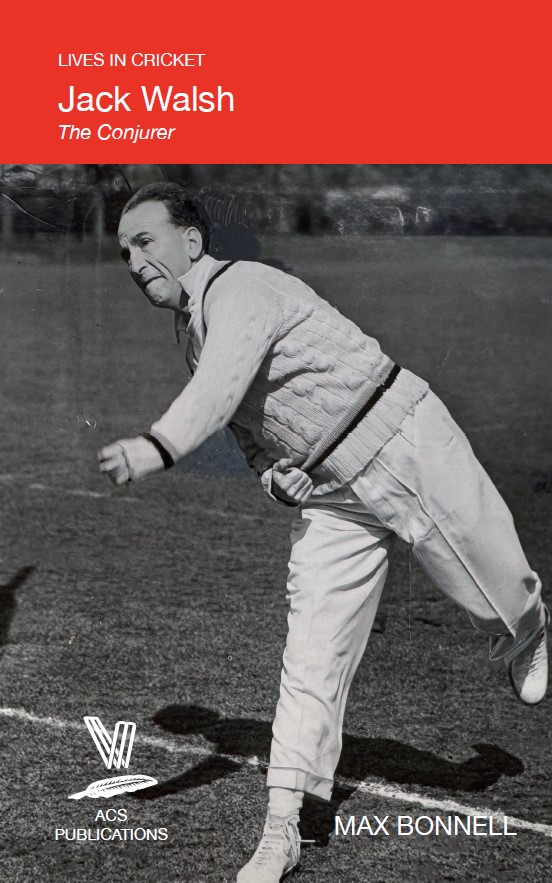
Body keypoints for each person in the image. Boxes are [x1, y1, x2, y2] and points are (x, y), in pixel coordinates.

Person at [99, 182, 548, 883]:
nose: (131, 261)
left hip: (400, 434)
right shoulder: (188, 332)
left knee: (493, 589)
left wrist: (156, 446)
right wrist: (276, 479)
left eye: (145, 241)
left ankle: (528, 631)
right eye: (124, 249)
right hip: (334, 496)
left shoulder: (242, 287)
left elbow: (220, 386)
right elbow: (252, 439)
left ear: (192, 242)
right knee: (310, 653)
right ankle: (283, 827)